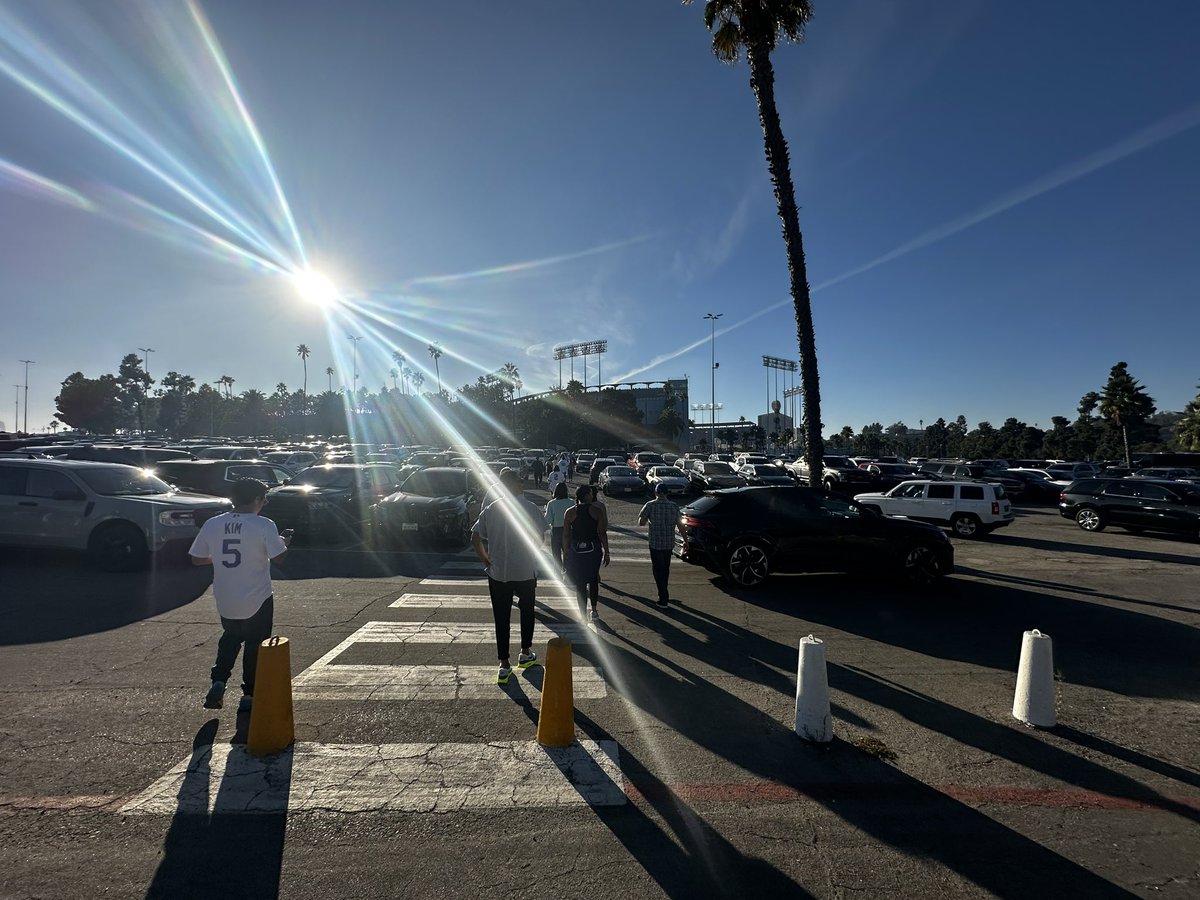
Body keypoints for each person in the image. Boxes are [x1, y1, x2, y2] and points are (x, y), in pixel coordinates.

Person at [189, 478, 291, 713]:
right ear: (257, 499)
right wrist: (284, 543)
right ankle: (249, 695)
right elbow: (279, 557)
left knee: (231, 637)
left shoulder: (213, 523)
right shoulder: (264, 524)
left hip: (225, 596)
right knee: (255, 644)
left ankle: (219, 681)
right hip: (257, 596)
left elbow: (197, 558)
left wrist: (220, 557)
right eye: (264, 498)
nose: (264, 503)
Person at [471, 468, 549, 684]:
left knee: (501, 617)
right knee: (527, 612)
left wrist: (486, 560)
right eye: (519, 482)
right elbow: (540, 537)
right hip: (524, 570)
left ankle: (504, 665)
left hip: (498, 573)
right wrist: (530, 552)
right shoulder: (530, 508)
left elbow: (475, 537)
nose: (522, 485)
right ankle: (525, 652)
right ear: (513, 485)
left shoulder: (491, 509)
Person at [562, 483, 609, 624]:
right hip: (593, 549)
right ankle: (594, 610)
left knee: (580, 583)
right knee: (593, 579)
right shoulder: (596, 511)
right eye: (590, 493)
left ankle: (582, 615)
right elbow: (601, 533)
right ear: (587, 495)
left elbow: (565, 535)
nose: (592, 495)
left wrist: (565, 551)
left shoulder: (570, 512)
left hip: (576, 550)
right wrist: (607, 551)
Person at [638, 483, 681, 608]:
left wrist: (648, 519)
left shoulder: (650, 505)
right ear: (667, 493)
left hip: (656, 543)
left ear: (656, 493)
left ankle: (663, 598)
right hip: (669, 543)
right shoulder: (674, 506)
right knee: (665, 569)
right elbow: (680, 525)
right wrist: (686, 541)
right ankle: (664, 592)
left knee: (657, 570)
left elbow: (641, 522)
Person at [543, 481, 573, 569]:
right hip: (568, 530)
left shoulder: (551, 503)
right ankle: (567, 571)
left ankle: (558, 571)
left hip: (556, 531)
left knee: (556, 554)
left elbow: (548, 520)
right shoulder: (571, 502)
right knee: (567, 552)